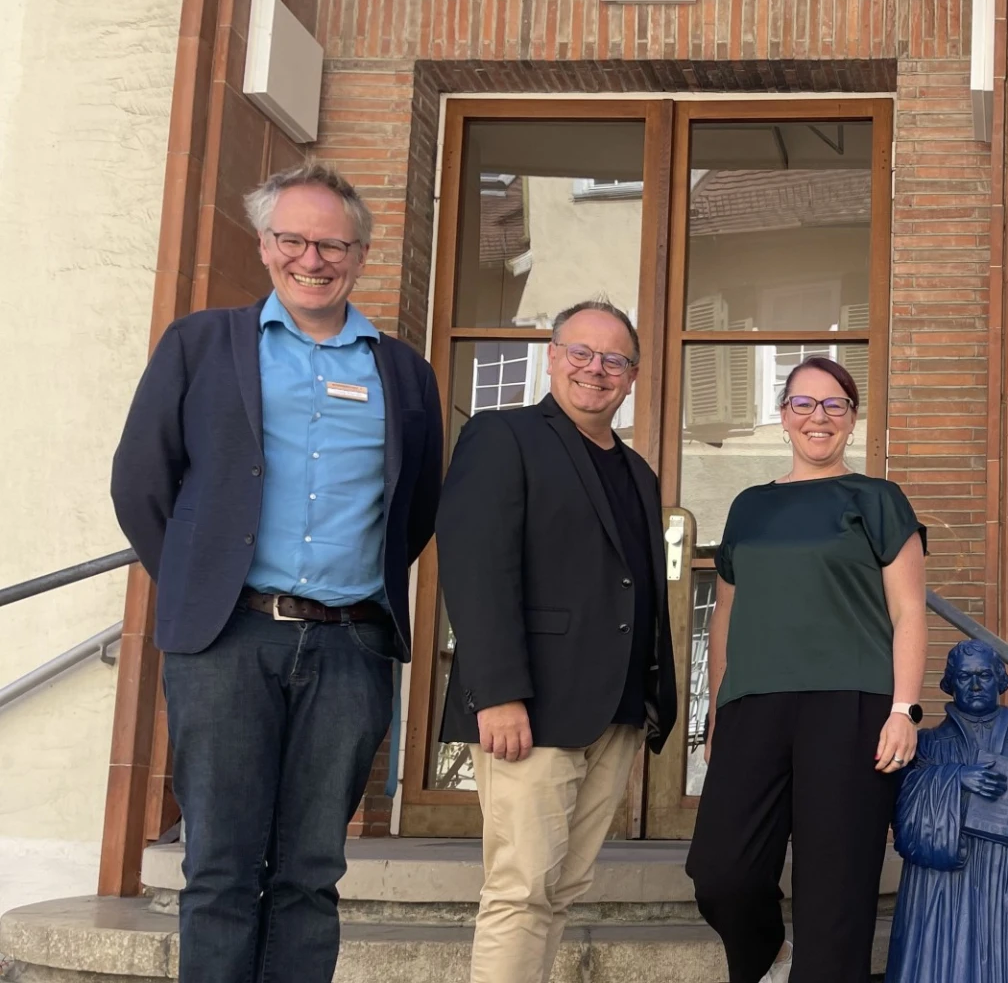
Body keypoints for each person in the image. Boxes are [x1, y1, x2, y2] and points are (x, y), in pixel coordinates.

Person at [109, 164, 443, 983]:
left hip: (349, 648)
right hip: (228, 640)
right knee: (219, 868)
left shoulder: (403, 372)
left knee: (310, 876)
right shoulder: (201, 345)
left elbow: (417, 506)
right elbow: (141, 482)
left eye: (332, 242)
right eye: (293, 238)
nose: (312, 258)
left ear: (361, 254)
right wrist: (203, 581)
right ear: (264, 245)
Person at [435, 299, 675, 983]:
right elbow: (476, 567)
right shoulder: (503, 436)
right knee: (521, 890)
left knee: (560, 891)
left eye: (614, 360)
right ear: (552, 356)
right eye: (581, 353)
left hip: (615, 713)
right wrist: (499, 691)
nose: (595, 370)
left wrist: (652, 697)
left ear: (631, 377)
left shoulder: (638, 473)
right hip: (531, 709)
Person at [685, 355, 929, 983]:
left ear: (851, 420)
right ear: (783, 416)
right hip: (753, 705)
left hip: (852, 706)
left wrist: (904, 709)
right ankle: (766, 955)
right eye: (803, 404)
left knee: (835, 892)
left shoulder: (878, 499)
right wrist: (717, 710)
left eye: (833, 405)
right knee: (721, 874)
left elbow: (908, 613)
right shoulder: (748, 507)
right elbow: (725, 618)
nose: (817, 417)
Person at [887, 641, 1008, 983]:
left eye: (984, 675)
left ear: (1001, 681)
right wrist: (956, 778)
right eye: (964, 677)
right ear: (949, 683)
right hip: (941, 887)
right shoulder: (927, 743)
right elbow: (903, 816)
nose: (974, 685)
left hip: (1007, 882)